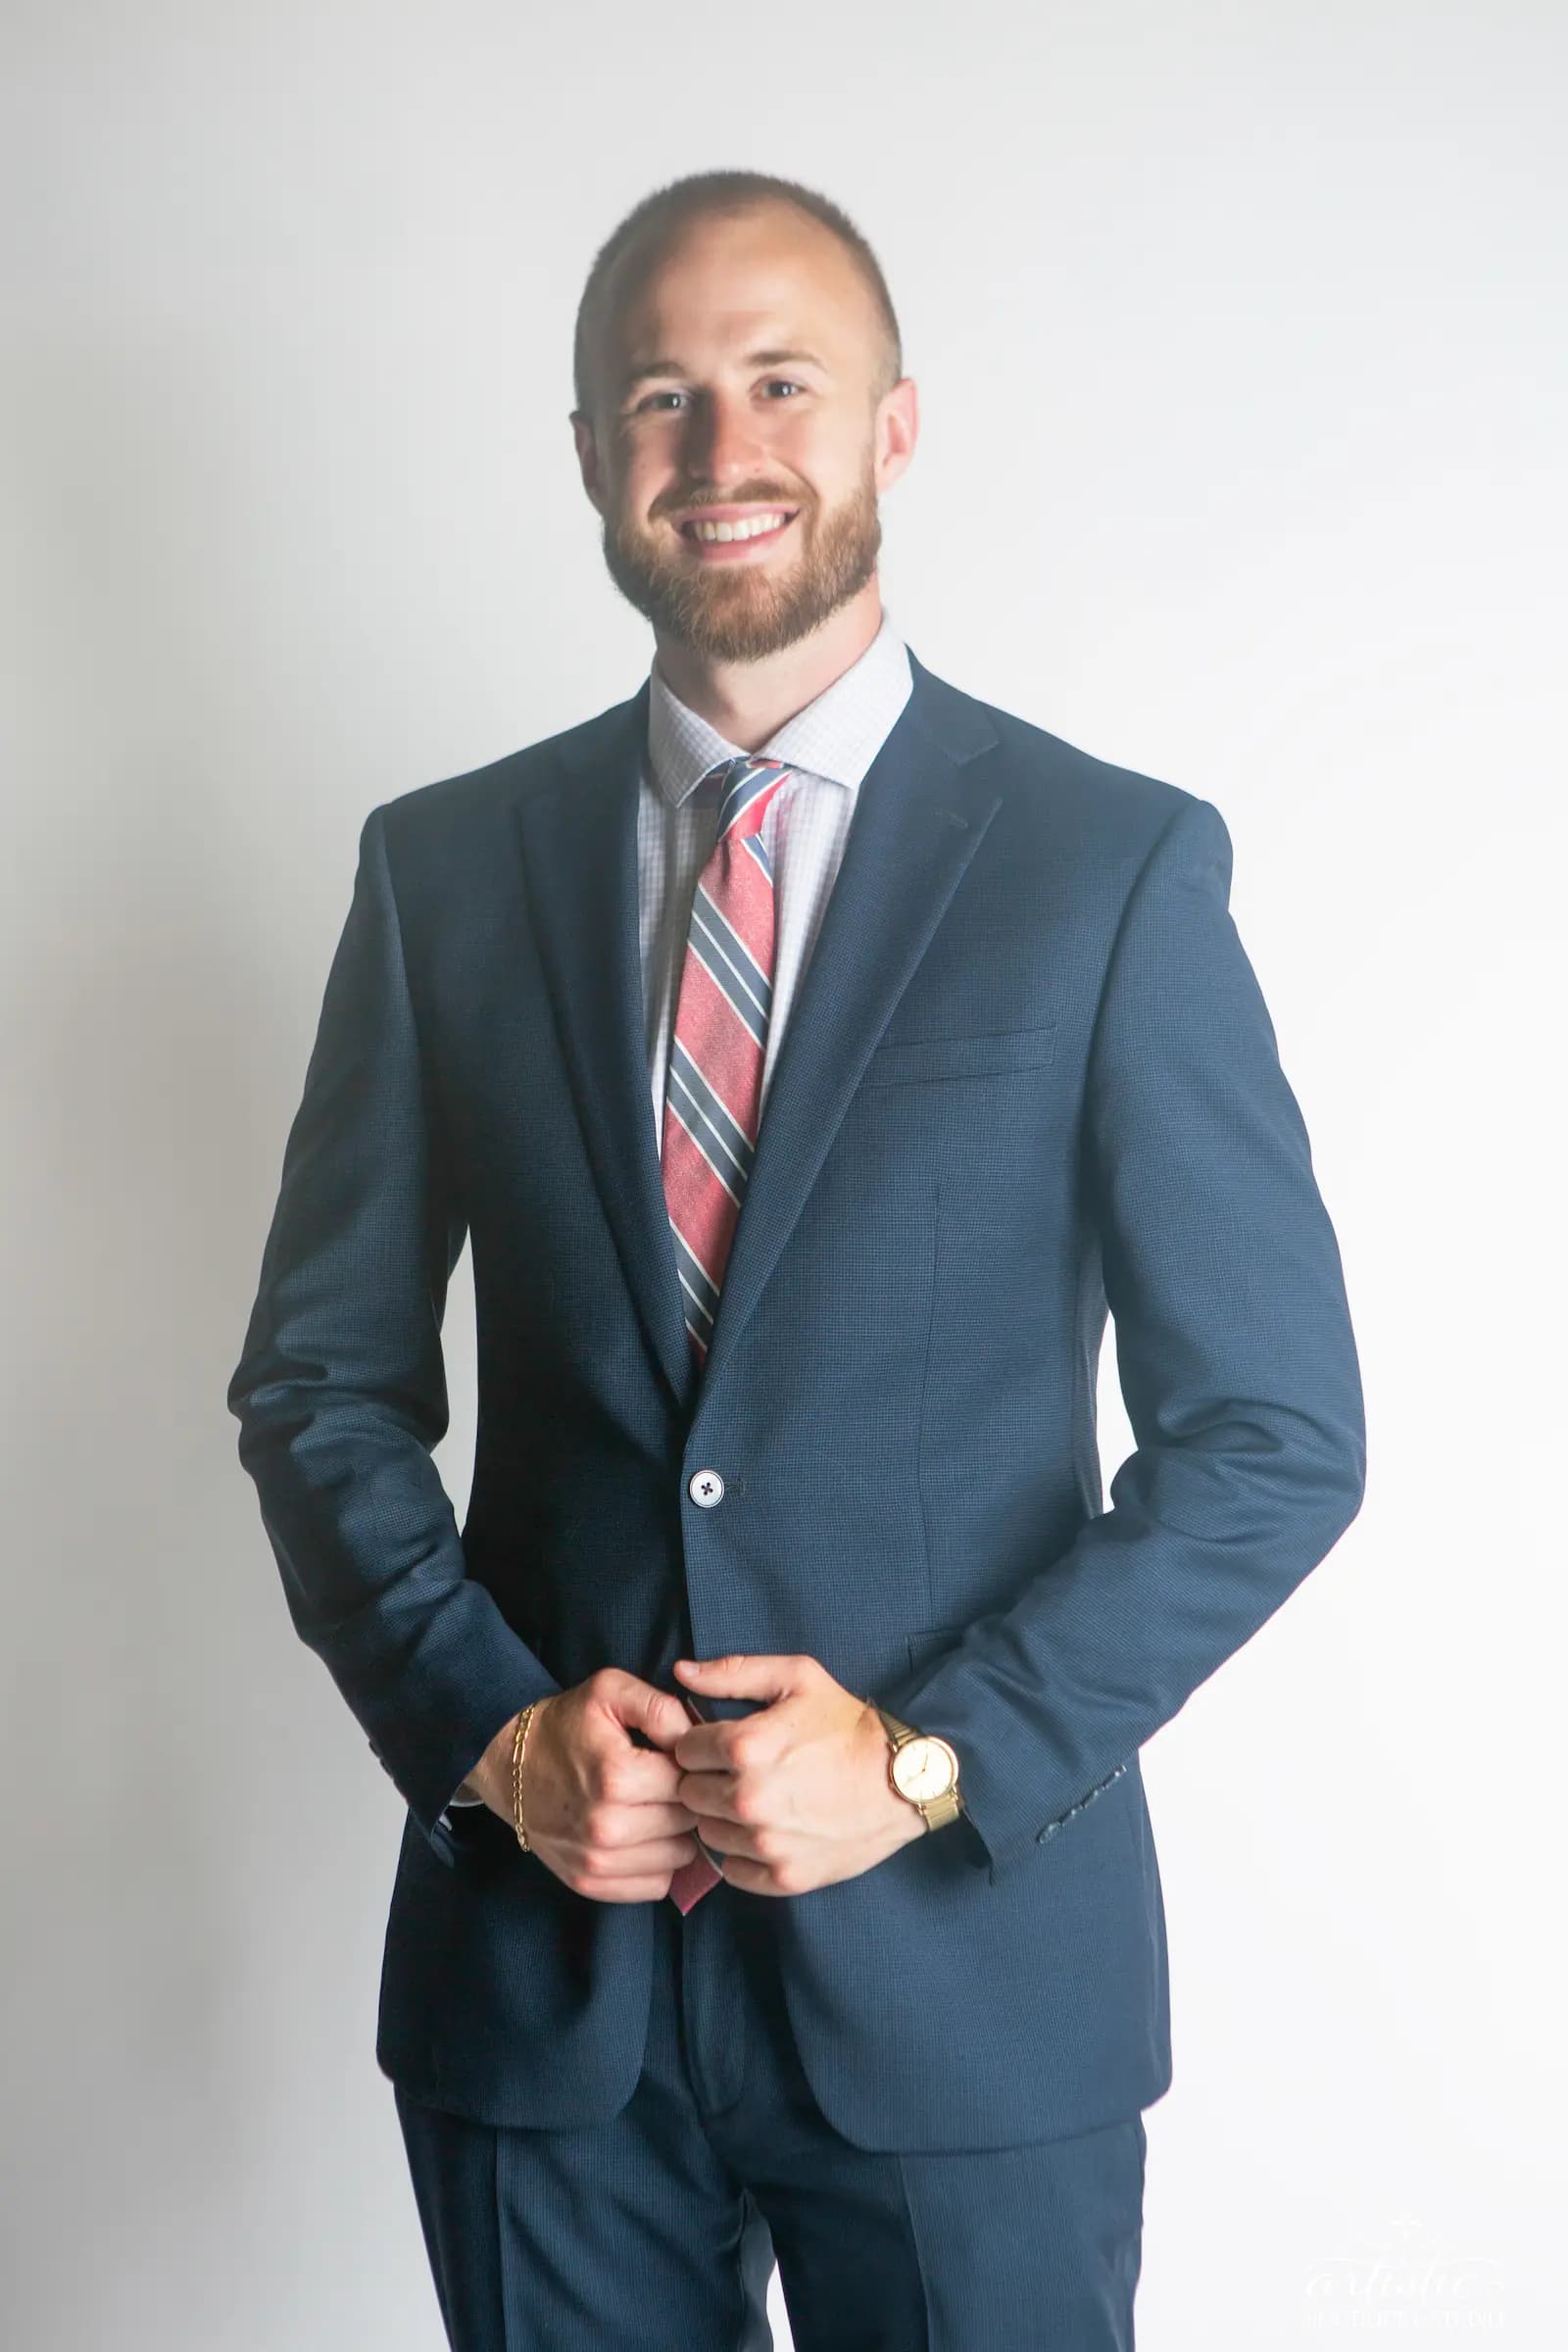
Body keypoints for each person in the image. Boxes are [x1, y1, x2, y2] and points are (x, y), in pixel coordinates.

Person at [227, 168, 1366, 2351]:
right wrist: (490, 1736)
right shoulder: (440, 875)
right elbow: (319, 1384)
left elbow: (1273, 1436)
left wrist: (933, 1758)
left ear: (892, 426)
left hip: (964, 1983)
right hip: (542, 1990)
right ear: (591, 453)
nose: (720, 446)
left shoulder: (1107, 870)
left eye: (780, 382)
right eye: (660, 395)